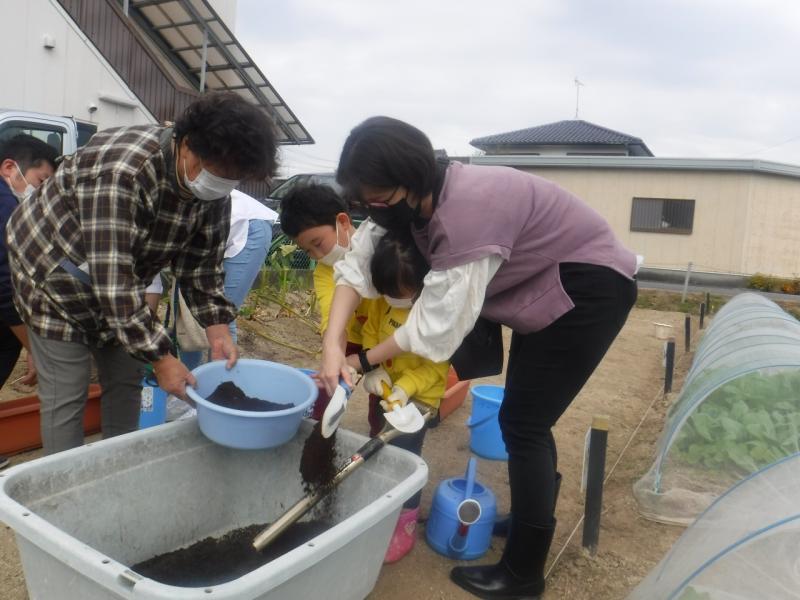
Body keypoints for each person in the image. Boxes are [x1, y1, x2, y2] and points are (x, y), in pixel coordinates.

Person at [319, 116, 638, 599]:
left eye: (377, 199)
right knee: (526, 419)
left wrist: (362, 363)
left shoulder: (465, 216)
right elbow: (355, 265)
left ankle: (523, 574)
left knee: (525, 423)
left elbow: (432, 329)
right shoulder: (414, 201)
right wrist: (332, 343)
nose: (372, 210)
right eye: (364, 201)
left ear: (409, 181)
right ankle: (531, 518)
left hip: (590, 289)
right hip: (546, 285)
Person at [7, 92, 278, 455]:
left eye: (235, 177)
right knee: (67, 391)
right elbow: (113, 281)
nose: (223, 182)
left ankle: (117, 471)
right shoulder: (123, 170)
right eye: (218, 171)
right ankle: (62, 495)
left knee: (127, 377)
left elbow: (203, 264)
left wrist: (217, 328)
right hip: (52, 275)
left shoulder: (215, 193)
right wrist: (163, 359)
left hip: (116, 278)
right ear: (186, 146)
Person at [352, 228, 448, 563]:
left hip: (419, 401)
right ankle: (380, 505)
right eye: (387, 292)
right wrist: (375, 372)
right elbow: (369, 333)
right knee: (379, 443)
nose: (393, 299)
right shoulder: (381, 303)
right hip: (388, 391)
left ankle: (405, 519)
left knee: (406, 456)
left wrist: (405, 388)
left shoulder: (435, 314)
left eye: (401, 294)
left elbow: (435, 370)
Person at [145, 189, 278, 370]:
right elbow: (150, 287)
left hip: (245, 226)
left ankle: (220, 388)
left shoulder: (151, 220)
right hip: (200, 237)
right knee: (188, 314)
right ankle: (189, 381)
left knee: (221, 315)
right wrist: (146, 333)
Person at [279, 183, 373, 419]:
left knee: (383, 403)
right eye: (308, 251)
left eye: (318, 243)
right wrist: (334, 355)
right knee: (327, 382)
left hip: (387, 333)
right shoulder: (324, 270)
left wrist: (363, 361)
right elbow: (333, 320)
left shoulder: (380, 250)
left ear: (342, 221)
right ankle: (319, 432)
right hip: (350, 334)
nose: (318, 256)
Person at [0, 135, 58, 471]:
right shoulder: (8, 210)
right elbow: (5, 289)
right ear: (10, 167)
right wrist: (31, 347)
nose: (41, 191)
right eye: (41, 181)